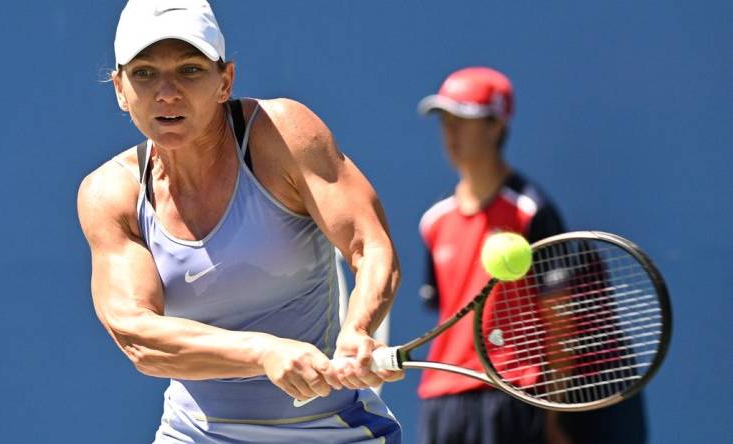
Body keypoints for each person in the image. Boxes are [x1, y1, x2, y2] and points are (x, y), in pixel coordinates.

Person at [76, 1, 402, 442]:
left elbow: (370, 246)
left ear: (224, 80)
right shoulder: (110, 194)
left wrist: (358, 330)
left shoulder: (283, 134)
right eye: (145, 73)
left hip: (332, 429)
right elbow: (138, 335)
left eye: (190, 70)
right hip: (194, 434)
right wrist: (262, 351)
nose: (166, 92)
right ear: (119, 88)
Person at [414, 67, 567, 444]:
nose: (450, 133)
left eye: (462, 120)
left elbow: (559, 320)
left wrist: (555, 414)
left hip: (512, 392)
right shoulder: (434, 221)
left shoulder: (531, 210)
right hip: (442, 398)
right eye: (444, 121)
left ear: (496, 126)